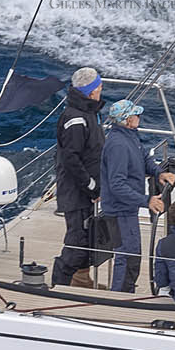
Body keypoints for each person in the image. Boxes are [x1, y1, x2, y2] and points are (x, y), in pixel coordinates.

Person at [98, 99, 168, 294]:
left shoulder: (131, 136)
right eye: (136, 115)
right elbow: (117, 184)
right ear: (128, 120)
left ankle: (125, 293)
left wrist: (158, 172)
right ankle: (119, 299)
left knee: (132, 255)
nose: (139, 117)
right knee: (126, 257)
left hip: (128, 209)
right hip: (119, 211)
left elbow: (144, 158)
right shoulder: (118, 145)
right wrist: (147, 200)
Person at [51, 67, 105, 286]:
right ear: (91, 92)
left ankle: (81, 279)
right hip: (77, 192)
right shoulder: (76, 119)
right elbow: (70, 158)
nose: (102, 91)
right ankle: (58, 285)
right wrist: (92, 186)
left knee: (89, 237)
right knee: (77, 241)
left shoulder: (88, 112)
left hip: (87, 190)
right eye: (100, 88)